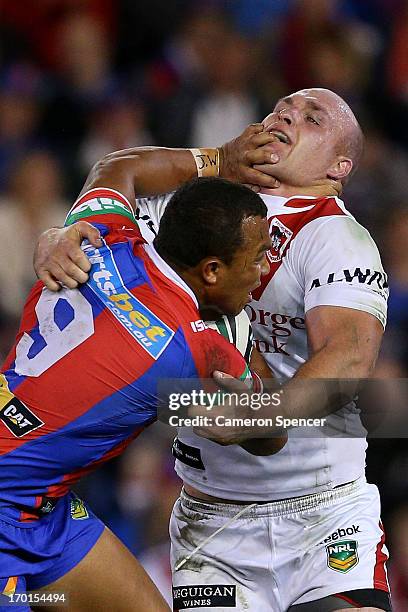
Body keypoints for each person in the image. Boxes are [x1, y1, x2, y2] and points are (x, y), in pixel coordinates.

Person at [35, 88, 391, 612]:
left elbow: (349, 363)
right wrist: (63, 233)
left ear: (340, 165)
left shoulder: (337, 238)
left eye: (311, 119)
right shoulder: (201, 209)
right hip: (212, 526)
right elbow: (117, 175)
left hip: (323, 515)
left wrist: (260, 412)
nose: (286, 118)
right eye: (282, 110)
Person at [0, 177, 273, 612]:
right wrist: (249, 360)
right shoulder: (195, 348)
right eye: (257, 259)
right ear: (211, 271)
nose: (261, 274)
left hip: (42, 507)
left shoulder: (98, 234)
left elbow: (118, 165)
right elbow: (272, 433)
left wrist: (221, 156)